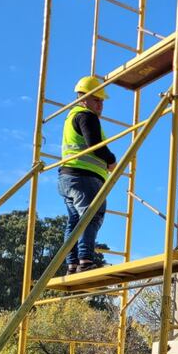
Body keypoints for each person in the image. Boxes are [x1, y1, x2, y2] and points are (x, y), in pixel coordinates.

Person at [59, 76, 117, 275]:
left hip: (68, 177)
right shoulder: (86, 116)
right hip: (84, 177)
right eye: (96, 100)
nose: (100, 105)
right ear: (83, 98)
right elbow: (94, 145)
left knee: (75, 221)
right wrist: (111, 159)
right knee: (91, 215)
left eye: (101, 101)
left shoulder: (71, 116)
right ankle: (85, 261)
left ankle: (72, 264)